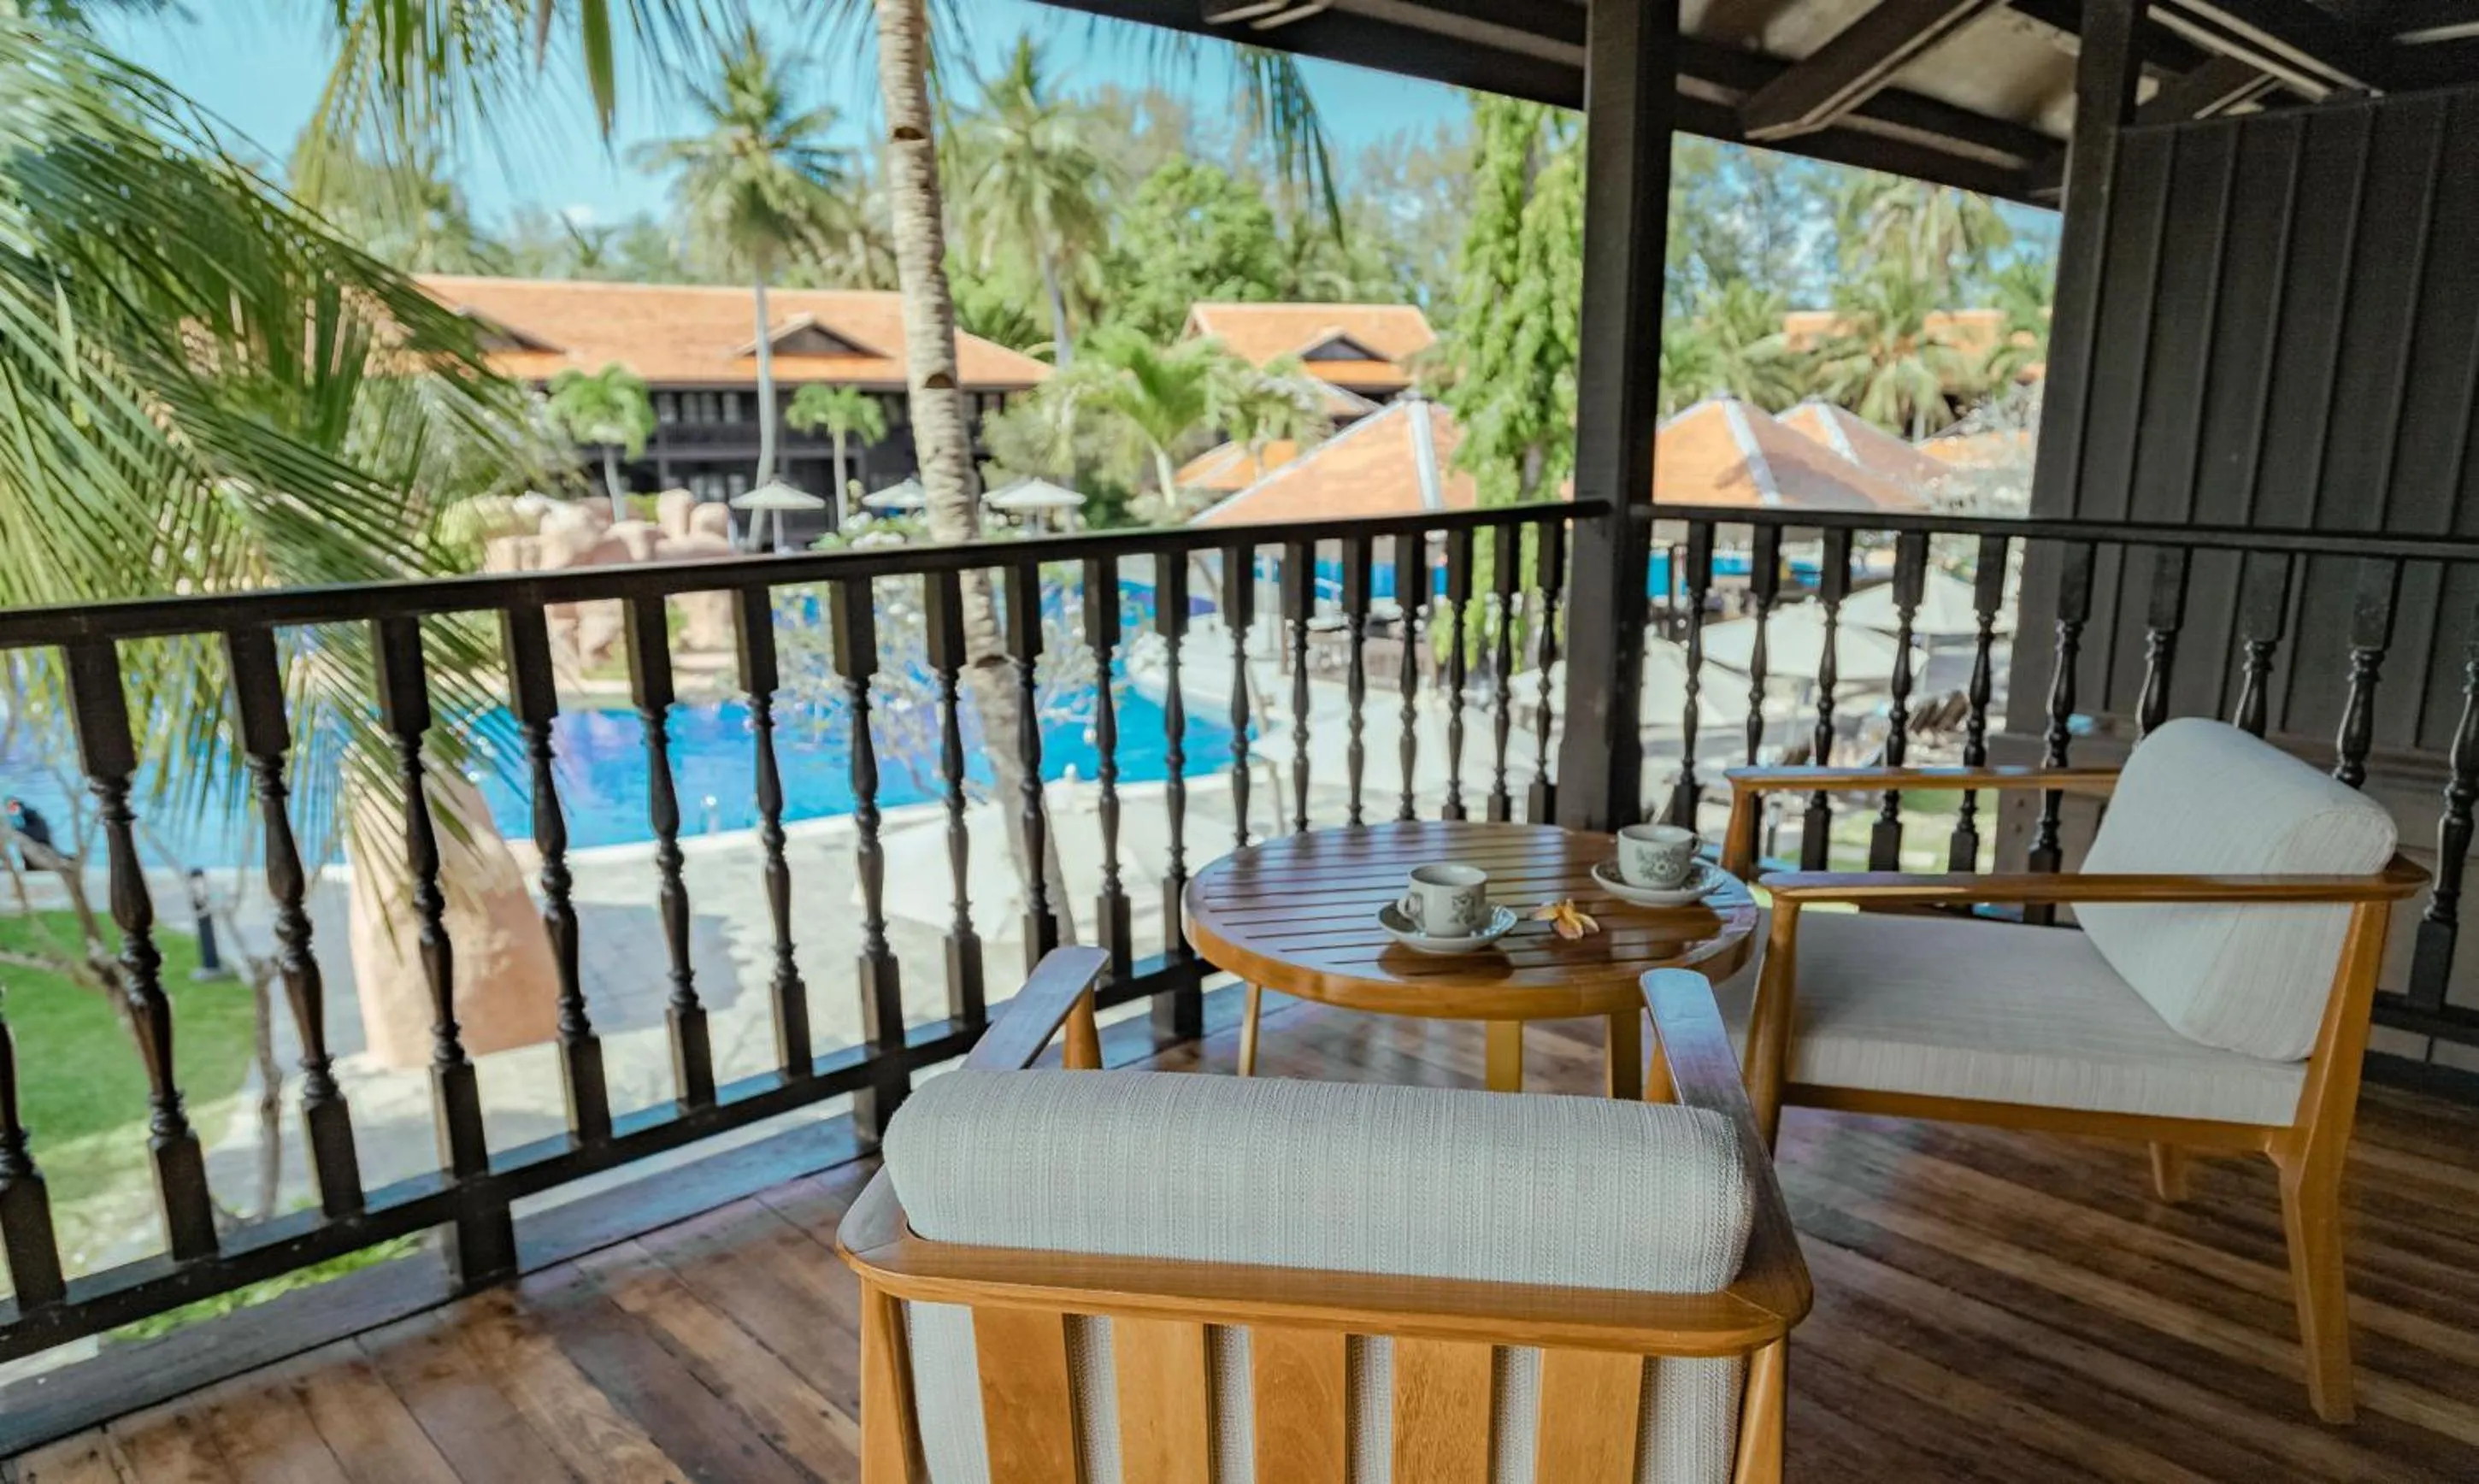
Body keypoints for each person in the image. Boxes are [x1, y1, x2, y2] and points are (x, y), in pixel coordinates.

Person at [3, 797, 60, 871]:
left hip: (40, 844)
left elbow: (38, 830)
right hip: (36, 843)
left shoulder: (29, 813)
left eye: (13, 805)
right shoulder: (20, 816)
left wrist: (17, 831)